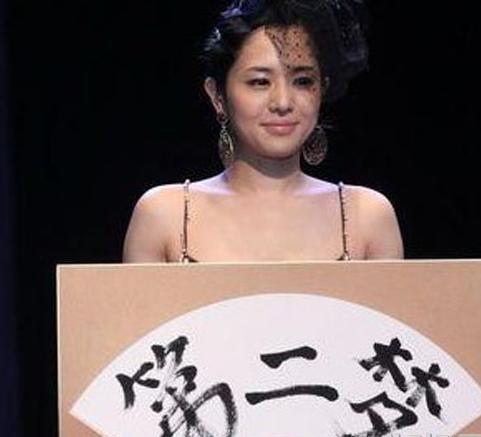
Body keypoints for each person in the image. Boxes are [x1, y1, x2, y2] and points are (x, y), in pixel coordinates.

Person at [123, 0, 403, 263]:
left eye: (302, 81)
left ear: (322, 89)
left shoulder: (366, 217)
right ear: (217, 95)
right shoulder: (165, 216)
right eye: (259, 82)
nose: (283, 102)